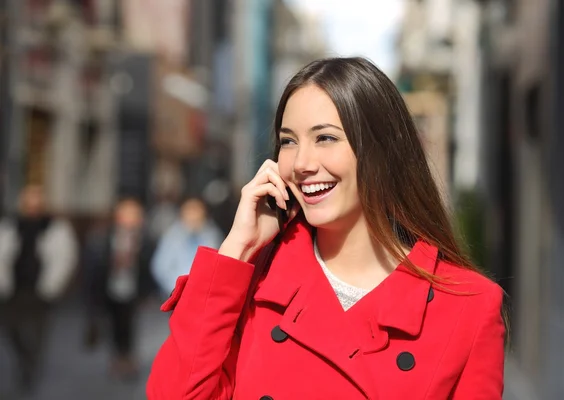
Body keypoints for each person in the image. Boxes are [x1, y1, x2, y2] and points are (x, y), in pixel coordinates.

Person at [146, 58, 506, 399]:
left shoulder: (467, 308)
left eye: (326, 138)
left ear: (382, 152)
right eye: (289, 141)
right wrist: (237, 250)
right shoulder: (253, 284)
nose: (301, 164)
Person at [0, 185, 78, 392]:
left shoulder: (54, 227)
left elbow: (64, 257)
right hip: (14, 290)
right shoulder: (11, 225)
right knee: (11, 330)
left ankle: (29, 371)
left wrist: (52, 285)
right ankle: (24, 361)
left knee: (36, 335)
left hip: (40, 291)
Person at [82, 198, 155, 380]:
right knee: (114, 324)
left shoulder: (144, 238)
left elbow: (149, 264)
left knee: (129, 325)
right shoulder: (105, 236)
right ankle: (117, 357)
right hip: (110, 287)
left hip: (133, 288)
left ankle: (128, 358)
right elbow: (95, 263)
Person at [151, 196, 224, 299]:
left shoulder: (213, 235)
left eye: (197, 210)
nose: (193, 215)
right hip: (175, 293)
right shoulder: (172, 235)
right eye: (189, 210)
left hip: (204, 295)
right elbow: (160, 267)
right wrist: (176, 289)